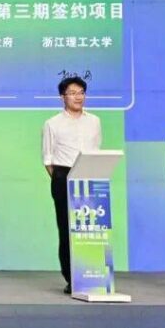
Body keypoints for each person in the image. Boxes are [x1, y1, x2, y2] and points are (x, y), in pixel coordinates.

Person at [41, 76, 102, 294]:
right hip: (63, 175)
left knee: (91, 229)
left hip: (90, 175)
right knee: (67, 230)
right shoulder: (52, 123)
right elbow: (48, 159)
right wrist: (62, 179)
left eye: (81, 93)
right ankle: (72, 278)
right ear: (62, 97)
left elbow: (97, 148)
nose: (78, 97)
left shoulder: (94, 121)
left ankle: (92, 274)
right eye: (73, 93)